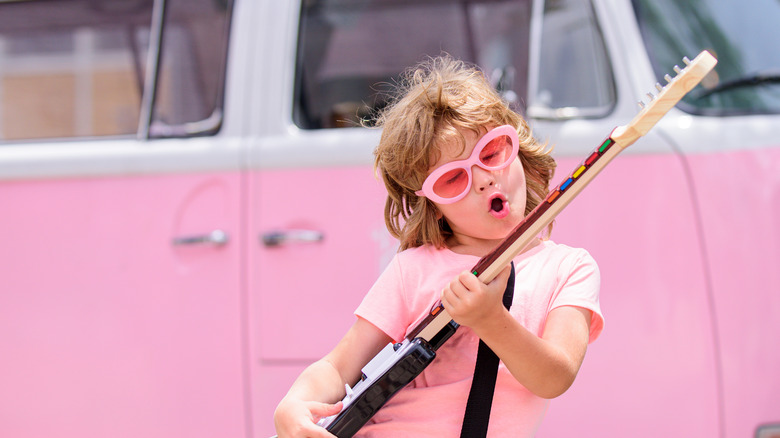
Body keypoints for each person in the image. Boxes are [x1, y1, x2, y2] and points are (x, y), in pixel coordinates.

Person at [273, 55, 604, 437]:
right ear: (434, 207)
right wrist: (293, 405)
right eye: (452, 179)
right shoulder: (413, 268)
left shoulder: (569, 268)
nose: (482, 180)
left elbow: (554, 378)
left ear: (518, 147)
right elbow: (337, 367)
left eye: (492, 152)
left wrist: (491, 321)